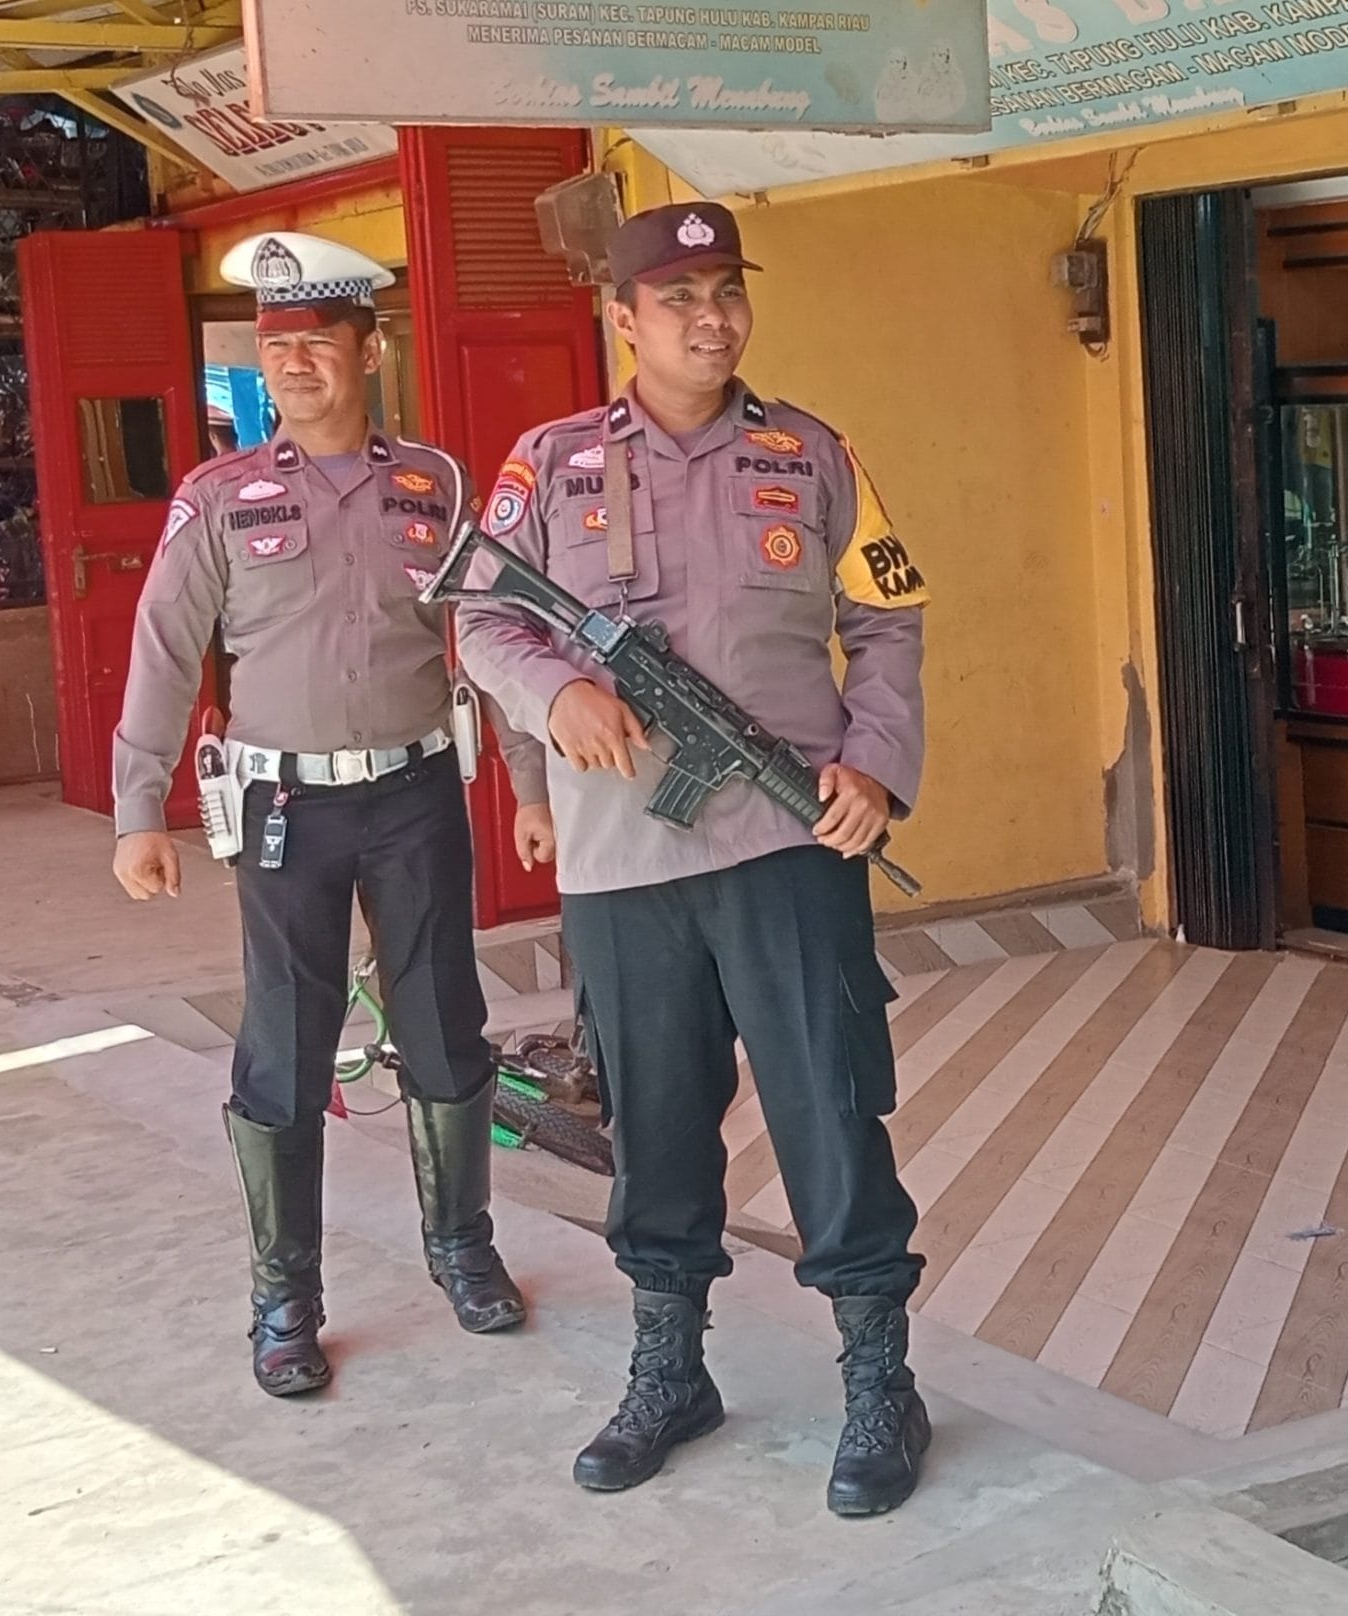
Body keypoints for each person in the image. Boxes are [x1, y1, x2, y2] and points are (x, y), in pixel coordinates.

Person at [455, 202, 934, 1515]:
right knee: (656, 1119)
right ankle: (670, 1371)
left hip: (790, 838)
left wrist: (874, 764)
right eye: (678, 298)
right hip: (622, 858)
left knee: (829, 1106)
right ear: (623, 319)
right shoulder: (549, 463)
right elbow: (484, 621)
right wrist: (557, 694)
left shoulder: (813, 454)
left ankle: (880, 1381)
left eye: (726, 291)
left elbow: (887, 621)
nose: (710, 318)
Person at [109, 231, 532, 1399]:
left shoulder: (434, 484)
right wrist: (138, 808)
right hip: (283, 803)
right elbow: (164, 648)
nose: (293, 364)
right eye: (275, 346)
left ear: (369, 349)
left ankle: (463, 1248)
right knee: (286, 1041)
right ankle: (284, 1297)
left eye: (316, 343)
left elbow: (493, 636)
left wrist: (534, 787)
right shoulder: (219, 498)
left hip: (414, 791)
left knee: (444, 1020)